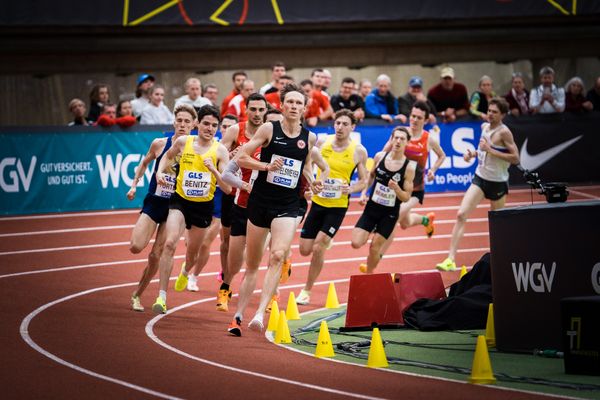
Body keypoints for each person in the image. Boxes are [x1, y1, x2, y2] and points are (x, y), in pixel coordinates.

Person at [226, 83, 320, 336]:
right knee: (252, 265)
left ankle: (260, 313)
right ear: (281, 105)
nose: (293, 106)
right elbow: (240, 158)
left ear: (304, 108)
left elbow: (305, 166)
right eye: (289, 102)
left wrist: (313, 180)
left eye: (298, 103)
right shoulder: (269, 128)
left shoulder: (309, 137)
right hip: (260, 202)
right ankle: (238, 316)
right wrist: (266, 167)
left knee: (277, 255)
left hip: (288, 204)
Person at [151, 105, 231, 314]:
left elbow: (228, 188)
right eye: (206, 123)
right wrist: (159, 172)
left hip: (203, 207)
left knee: (192, 253)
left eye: (214, 125)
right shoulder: (183, 142)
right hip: (180, 201)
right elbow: (167, 157)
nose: (210, 128)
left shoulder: (220, 150)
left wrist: (213, 169)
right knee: (169, 244)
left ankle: (186, 271)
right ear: (197, 124)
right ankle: (162, 297)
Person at [126, 104, 198, 311]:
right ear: (174, 122)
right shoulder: (160, 144)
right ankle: (140, 292)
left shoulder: (196, 148)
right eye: (180, 121)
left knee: (157, 253)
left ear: (193, 124)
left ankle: (138, 295)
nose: (183, 125)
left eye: (187, 121)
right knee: (136, 246)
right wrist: (133, 185)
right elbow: (144, 162)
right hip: (154, 202)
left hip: (175, 207)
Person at [436, 98, 519, 271]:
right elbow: (482, 150)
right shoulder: (484, 127)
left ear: (502, 114)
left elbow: (516, 158)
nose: (490, 114)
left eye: (495, 112)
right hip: (480, 178)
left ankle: (502, 258)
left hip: (498, 182)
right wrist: (472, 154)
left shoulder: (505, 133)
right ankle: (450, 259)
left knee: (498, 224)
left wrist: (491, 150)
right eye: (489, 110)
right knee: (461, 214)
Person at [295, 109, 369, 305]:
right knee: (304, 250)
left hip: (337, 206)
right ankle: (325, 239)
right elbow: (307, 165)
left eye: (345, 124)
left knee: (319, 247)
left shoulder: (358, 151)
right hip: (318, 203)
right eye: (337, 123)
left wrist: (351, 188)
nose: (340, 127)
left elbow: (364, 180)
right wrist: (311, 182)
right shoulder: (322, 142)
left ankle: (306, 290)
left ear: (352, 127)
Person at [375, 101, 446, 263]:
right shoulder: (400, 134)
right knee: (405, 222)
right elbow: (383, 152)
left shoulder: (429, 139)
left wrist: (433, 170)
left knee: (394, 217)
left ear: (425, 120)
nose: (414, 120)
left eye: (418, 118)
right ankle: (426, 220)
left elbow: (442, 155)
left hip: (415, 190)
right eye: (412, 116)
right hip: (397, 188)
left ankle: (377, 256)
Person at [217, 93, 269, 311]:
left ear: (265, 111)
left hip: (263, 201)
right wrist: (233, 156)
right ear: (246, 110)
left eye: (261, 110)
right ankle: (226, 286)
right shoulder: (235, 130)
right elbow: (218, 155)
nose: (257, 114)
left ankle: (270, 294)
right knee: (230, 247)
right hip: (235, 196)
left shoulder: (269, 132)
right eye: (253, 109)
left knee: (261, 251)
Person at [351, 127, 416, 274]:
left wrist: (396, 189)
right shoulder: (380, 156)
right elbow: (371, 176)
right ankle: (370, 230)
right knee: (355, 243)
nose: (398, 141)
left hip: (389, 214)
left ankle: (369, 274)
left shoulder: (409, 167)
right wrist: (363, 193)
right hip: (372, 209)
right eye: (396, 138)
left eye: (402, 139)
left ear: (407, 143)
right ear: (391, 140)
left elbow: (406, 197)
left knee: (375, 247)